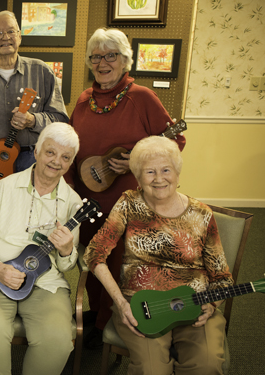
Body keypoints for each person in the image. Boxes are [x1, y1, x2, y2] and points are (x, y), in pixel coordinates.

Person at [64, 27, 185, 347]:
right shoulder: (85, 99)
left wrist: (137, 162)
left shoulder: (142, 97)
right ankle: (95, 309)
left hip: (127, 200)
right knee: (91, 256)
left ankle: (106, 322)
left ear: (125, 60)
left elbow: (177, 140)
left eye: (111, 55)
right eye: (96, 56)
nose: (103, 62)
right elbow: (72, 143)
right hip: (87, 197)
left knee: (116, 262)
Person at [84, 136, 231, 375]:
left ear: (177, 172)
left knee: (207, 368)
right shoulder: (129, 203)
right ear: (139, 178)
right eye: (149, 172)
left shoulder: (202, 214)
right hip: (140, 305)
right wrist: (120, 303)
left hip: (194, 305)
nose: (159, 178)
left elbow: (222, 277)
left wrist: (212, 303)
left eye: (166, 170)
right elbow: (94, 254)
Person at [0, 123, 82, 375]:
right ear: (38, 151)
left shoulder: (73, 203)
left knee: (59, 340)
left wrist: (66, 250)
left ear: (71, 162)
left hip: (44, 283)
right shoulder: (5, 187)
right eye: (50, 152)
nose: (56, 162)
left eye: (66, 157)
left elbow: (67, 265)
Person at [0, 10, 69, 185]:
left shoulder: (42, 72)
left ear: (20, 36)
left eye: (11, 31)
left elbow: (61, 122)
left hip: (33, 160)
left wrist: (33, 120)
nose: (6, 37)